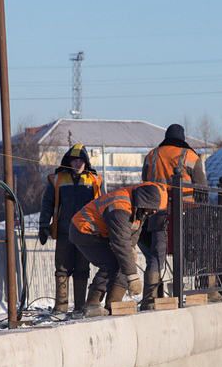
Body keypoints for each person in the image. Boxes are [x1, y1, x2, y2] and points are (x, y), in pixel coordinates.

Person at [69, 182, 169, 317]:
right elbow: (121, 243)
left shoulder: (141, 206)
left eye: (154, 210)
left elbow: (135, 229)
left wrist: (132, 247)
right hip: (83, 230)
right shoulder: (119, 208)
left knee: (126, 262)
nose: (152, 212)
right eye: (150, 209)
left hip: (102, 233)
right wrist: (133, 277)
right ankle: (92, 304)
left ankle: (113, 305)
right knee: (111, 264)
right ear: (142, 202)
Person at [138, 123, 207, 309]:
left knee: (157, 254)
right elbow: (201, 187)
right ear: (182, 138)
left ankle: (149, 299)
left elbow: (145, 181)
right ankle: (205, 291)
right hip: (187, 213)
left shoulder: (152, 155)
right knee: (196, 251)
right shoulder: (190, 156)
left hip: (158, 211)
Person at [38, 144, 103, 313]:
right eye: (74, 160)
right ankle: (61, 306)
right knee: (62, 268)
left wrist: (103, 231)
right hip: (64, 231)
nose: (77, 163)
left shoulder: (94, 181)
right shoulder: (57, 179)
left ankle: (80, 306)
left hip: (85, 233)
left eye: (81, 160)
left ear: (86, 162)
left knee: (82, 269)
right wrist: (43, 225)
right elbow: (47, 204)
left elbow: (101, 207)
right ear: (68, 161)